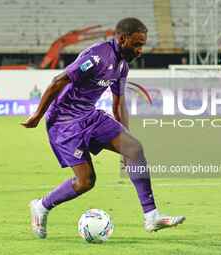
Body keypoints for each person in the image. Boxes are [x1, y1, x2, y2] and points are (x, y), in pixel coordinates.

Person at [20, 17, 185, 239]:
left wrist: (125, 138)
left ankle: (151, 216)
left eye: (143, 45)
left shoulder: (122, 66)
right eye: (137, 44)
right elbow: (58, 80)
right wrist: (38, 115)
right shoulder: (98, 56)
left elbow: (118, 104)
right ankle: (41, 206)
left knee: (134, 148)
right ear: (122, 39)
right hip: (64, 122)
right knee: (86, 181)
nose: (140, 50)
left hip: (89, 115)